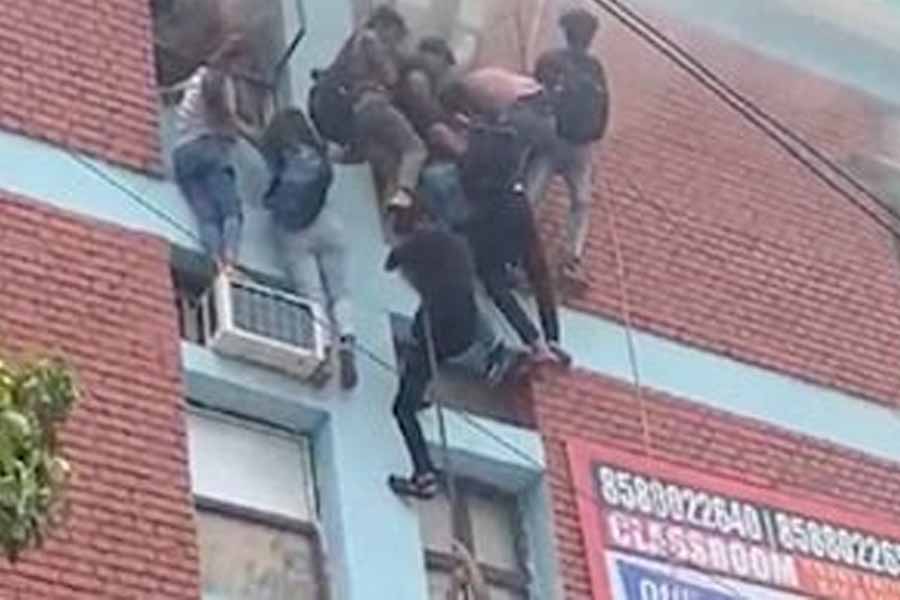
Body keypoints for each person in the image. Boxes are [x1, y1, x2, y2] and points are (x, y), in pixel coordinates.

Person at [385, 228, 526, 497]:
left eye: (406, 274)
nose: (406, 280)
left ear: (420, 269)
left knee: (402, 410)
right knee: (421, 369)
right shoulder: (457, 277)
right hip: (460, 339)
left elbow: (424, 335)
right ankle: (420, 395)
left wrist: (421, 335)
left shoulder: (436, 303)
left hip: (442, 340)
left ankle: (424, 475)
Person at [260, 108, 358, 389]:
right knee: (340, 292)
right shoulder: (320, 150)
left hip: (293, 235)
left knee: (312, 297)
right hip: (328, 223)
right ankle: (347, 341)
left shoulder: (275, 154)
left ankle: (323, 351)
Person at [457, 124, 569, 365]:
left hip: (485, 233)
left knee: (496, 282)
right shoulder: (515, 194)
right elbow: (539, 271)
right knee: (531, 275)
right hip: (510, 221)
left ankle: (540, 341)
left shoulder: (481, 165)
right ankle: (548, 339)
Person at [313, 6, 427, 228]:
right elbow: (390, 76)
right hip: (375, 104)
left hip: (357, 112)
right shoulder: (370, 39)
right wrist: (397, 58)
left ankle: (386, 221)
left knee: (389, 164)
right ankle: (404, 193)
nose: (395, 38)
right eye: (395, 32)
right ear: (384, 24)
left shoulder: (351, 47)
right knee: (415, 148)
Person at [532, 8, 610, 284]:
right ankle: (517, 245)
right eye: (581, 33)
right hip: (554, 142)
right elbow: (536, 95)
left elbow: (603, 107)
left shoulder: (593, 67)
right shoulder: (553, 61)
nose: (585, 39)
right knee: (533, 195)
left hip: (578, 147)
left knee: (581, 201)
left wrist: (593, 135)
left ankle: (572, 257)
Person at [172, 34, 257, 275]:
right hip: (210, 148)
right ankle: (229, 262)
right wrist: (258, 137)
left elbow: (176, 93)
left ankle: (215, 263)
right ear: (238, 61)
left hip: (182, 154)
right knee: (230, 211)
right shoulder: (222, 82)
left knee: (206, 215)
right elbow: (230, 119)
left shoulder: (199, 75)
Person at [394, 37, 471, 228]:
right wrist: (448, 125)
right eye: (444, 62)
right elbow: (425, 115)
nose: (444, 69)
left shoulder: (424, 79)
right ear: (431, 56)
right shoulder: (417, 79)